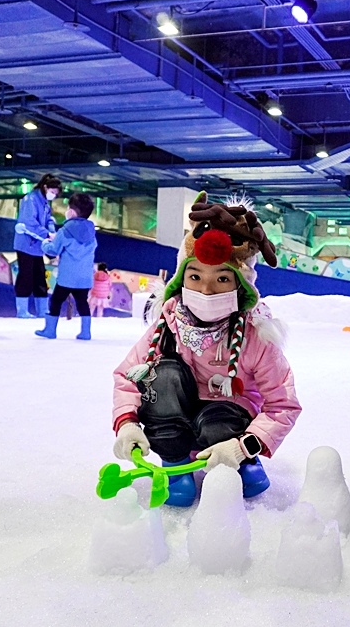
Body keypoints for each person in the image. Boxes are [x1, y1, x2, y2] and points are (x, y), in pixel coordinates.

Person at [111, 194, 299, 506]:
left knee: (217, 422)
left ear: (241, 285)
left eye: (222, 278)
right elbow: (127, 376)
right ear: (180, 279)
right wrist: (127, 423)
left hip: (229, 424)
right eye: (195, 276)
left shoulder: (255, 334)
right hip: (176, 421)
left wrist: (246, 445)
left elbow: (284, 405)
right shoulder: (167, 323)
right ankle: (174, 465)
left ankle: (241, 464)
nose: (206, 290)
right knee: (163, 376)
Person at [35, 193, 98, 340]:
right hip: (84, 278)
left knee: (56, 301)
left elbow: (53, 250)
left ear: (72, 211)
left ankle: (50, 330)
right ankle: (86, 332)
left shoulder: (65, 231)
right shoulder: (91, 232)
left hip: (67, 277)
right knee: (82, 302)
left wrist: (45, 244)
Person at [14, 174, 61, 318]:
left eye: (55, 194)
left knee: (40, 277)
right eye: (52, 192)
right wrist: (46, 234)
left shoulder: (44, 203)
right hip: (26, 244)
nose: (53, 195)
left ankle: (42, 310)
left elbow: (49, 219)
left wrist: (52, 232)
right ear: (45, 187)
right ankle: (22, 311)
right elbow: (29, 221)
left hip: (38, 246)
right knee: (26, 276)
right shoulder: (31, 199)